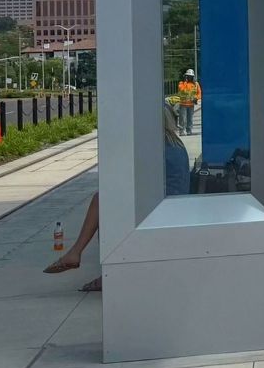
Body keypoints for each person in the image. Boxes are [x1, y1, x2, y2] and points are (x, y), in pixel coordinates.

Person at [45, 109, 193, 291]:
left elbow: (130, 182)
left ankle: (85, 258)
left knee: (103, 202)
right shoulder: (174, 144)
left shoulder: (155, 148)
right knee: (105, 201)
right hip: (172, 207)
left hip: (163, 212)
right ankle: (80, 255)